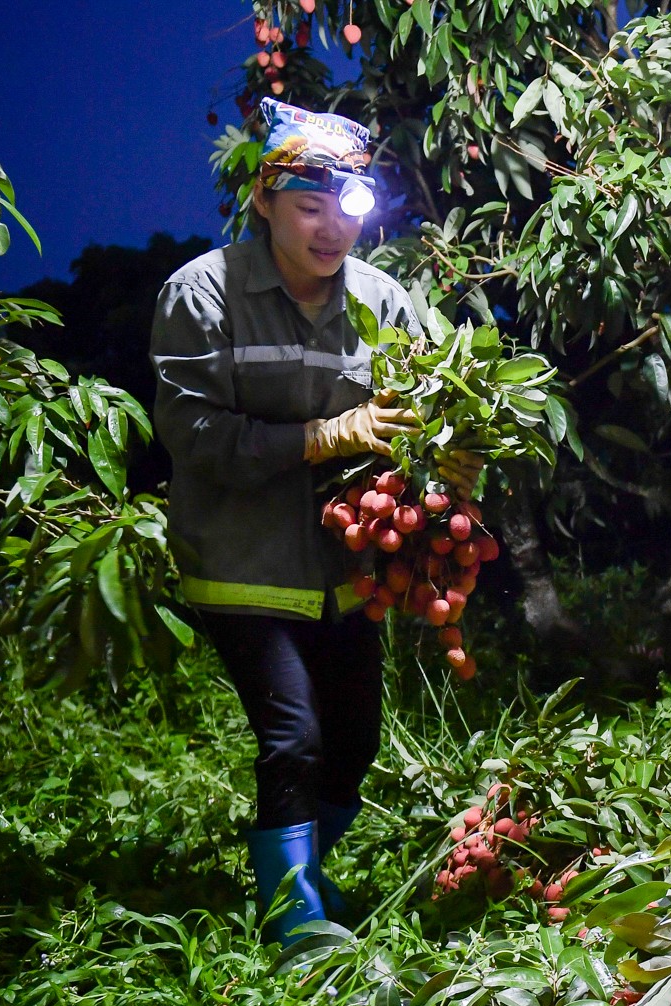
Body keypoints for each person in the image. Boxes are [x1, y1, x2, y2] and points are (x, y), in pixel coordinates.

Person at [150, 99, 479, 943]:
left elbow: (421, 410)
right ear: (263, 202)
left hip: (342, 567)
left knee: (356, 738)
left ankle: (302, 869)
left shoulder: (381, 300)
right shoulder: (202, 294)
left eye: (348, 208)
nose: (331, 228)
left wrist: (451, 458)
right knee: (292, 734)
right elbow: (191, 436)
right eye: (307, 207)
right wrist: (319, 437)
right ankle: (292, 922)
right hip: (240, 560)